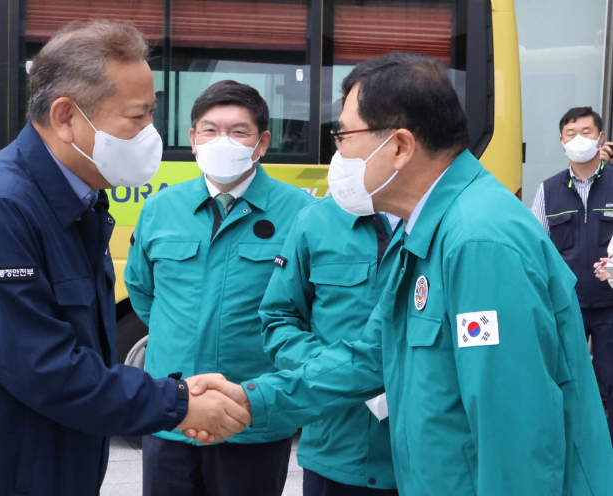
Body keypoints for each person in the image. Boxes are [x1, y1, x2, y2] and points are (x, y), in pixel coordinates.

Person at [187, 53, 613, 495]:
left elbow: (514, 431)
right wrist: (253, 398)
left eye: (343, 136)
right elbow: (372, 355)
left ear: (399, 146)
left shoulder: (478, 242)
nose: (339, 153)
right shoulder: (427, 230)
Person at [0, 21, 249, 496]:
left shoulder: (78, 199)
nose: (150, 134)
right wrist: (178, 402)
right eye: (137, 117)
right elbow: (43, 367)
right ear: (67, 116)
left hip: (46, 465)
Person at [124, 80, 314, 496]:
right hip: (170, 414)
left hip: (253, 418)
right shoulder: (160, 208)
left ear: (262, 142)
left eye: (238, 131)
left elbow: (309, 307)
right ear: (192, 140)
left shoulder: (303, 213)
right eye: (209, 130)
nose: (221, 141)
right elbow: (142, 290)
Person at [258, 199, 399, 496]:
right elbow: (278, 319)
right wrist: (336, 371)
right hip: (335, 447)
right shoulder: (315, 220)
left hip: (425, 460)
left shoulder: (447, 221)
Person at [531, 106, 613, 446]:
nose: (579, 139)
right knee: (568, 381)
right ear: (562, 142)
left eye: (586, 132)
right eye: (571, 134)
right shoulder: (548, 190)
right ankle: (573, 450)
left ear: (601, 138)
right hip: (566, 306)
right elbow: (535, 248)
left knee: (610, 385)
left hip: (611, 307)